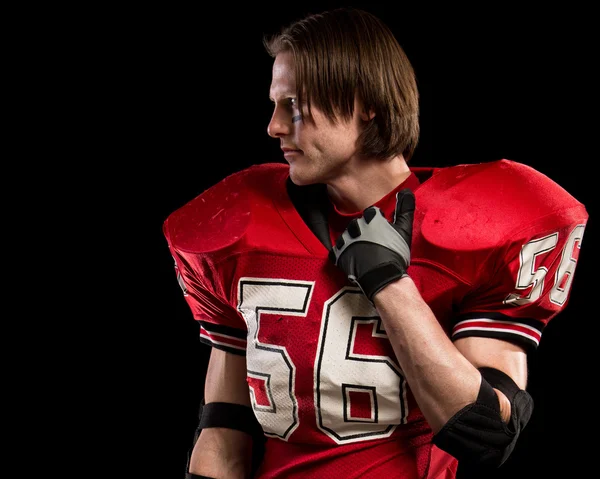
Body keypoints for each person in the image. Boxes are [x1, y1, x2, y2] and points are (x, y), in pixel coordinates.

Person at [163, 7, 588, 479]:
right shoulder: (241, 227)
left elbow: (485, 432)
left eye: (296, 106)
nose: (275, 126)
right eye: (275, 105)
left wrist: (388, 283)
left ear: (366, 103)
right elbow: (225, 428)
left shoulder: (478, 226)